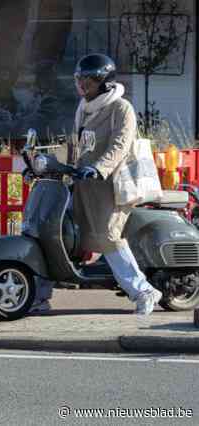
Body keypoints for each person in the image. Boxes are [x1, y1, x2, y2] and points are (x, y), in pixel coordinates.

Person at [70, 53, 162, 316]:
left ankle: (143, 291)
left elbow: (120, 145)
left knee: (109, 237)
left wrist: (99, 168)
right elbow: (78, 146)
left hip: (112, 185)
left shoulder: (120, 108)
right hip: (84, 184)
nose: (82, 84)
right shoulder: (83, 108)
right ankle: (39, 295)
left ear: (103, 81)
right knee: (64, 231)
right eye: (79, 78)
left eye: (87, 79)